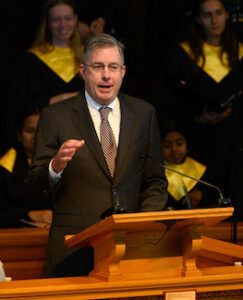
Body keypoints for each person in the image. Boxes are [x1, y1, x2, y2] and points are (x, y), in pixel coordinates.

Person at [29, 33, 168, 278]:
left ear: (123, 72)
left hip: (129, 251)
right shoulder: (55, 116)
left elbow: (156, 182)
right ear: (83, 71)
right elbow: (34, 186)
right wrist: (55, 167)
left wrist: (138, 227)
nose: (106, 75)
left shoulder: (144, 113)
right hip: (72, 252)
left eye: (113, 67)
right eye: (98, 67)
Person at [155, 0, 243, 217]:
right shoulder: (181, 55)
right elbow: (169, 99)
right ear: (197, 19)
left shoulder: (239, 53)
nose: (213, 20)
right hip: (197, 140)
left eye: (218, 13)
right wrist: (200, 116)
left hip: (234, 140)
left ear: (226, 15)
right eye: (207, 15)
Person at [7, 0, 84, 149]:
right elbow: (21, 106)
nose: (63, 25)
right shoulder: (31, 60)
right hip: (46, 138)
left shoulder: (90, 57)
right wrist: (62, 98)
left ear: (75, 20)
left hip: (83, 137)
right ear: (48, 23)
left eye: (68, 18)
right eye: (56, 20)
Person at [0, 107, 52, 228]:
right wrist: (29, 214)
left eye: (41, 130)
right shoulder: (5, 167)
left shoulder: (62, 162)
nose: (36, 136)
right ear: (19, 135)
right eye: (30, 130)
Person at [161, 124, 218, 210]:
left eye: (179, 144)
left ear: (187, 145)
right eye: (167, 146)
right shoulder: (156, 171)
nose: (174, 149)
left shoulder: (199, 169)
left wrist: (200, 194)